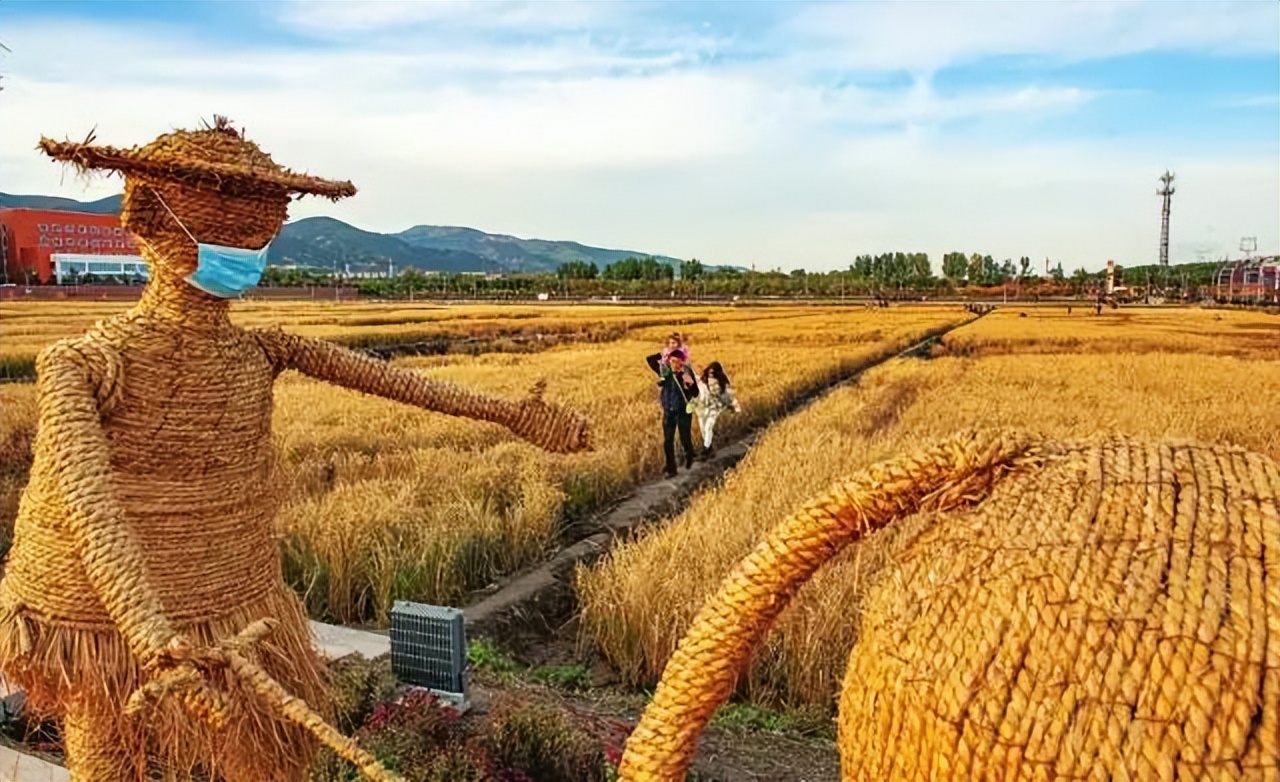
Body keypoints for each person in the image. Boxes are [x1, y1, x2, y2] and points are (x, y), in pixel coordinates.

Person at [647, 347, 699, 478]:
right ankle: (671, 468)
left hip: (683, 410)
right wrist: (662, 354)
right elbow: (650, 360)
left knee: (684, 437)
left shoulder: (686, 373)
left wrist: (689, 385)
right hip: (669, 410)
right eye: (673, 361)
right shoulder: (666, 372)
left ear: (682, 362)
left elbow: (696, 393)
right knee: (668, 440)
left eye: (678, 362)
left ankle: (690, 455)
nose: (675, 364)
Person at [694, 361, 742, 459]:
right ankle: (710, 450)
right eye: (710, 372)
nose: (711, 374)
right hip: (703, 409)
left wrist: (736, 407)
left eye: (713, 373)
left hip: (714, 408)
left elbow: (728, 396)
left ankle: (705, 451)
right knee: (704, 430)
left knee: (708, 427)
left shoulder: (721, 383)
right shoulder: (703, 381)